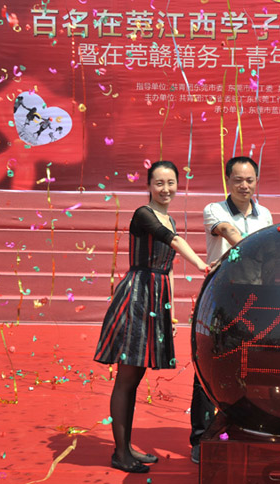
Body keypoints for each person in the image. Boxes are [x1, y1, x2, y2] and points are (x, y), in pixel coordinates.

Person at [94, 161, 209, 474]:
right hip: (137, 297)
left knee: (135, 378)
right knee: (127, 377)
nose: (166, 189)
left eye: (171, 183)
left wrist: (170, 314)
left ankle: (126, 446)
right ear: (148, 185)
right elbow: (174, 242)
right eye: (159, 183)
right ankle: (121, 453)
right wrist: (202, 265)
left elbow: (168, 269)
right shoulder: (144, 214)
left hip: (157, 299)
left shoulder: (169, 218)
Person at [189, 156, 274, 464]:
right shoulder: (215, 210)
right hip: (223, 297)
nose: (244, 185)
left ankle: (244, 430)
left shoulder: (265, 214)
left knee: (250, 368)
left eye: (250, 180)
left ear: (257, 181)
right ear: (228, 180)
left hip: (256, 299)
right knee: (209, 367)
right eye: (238, 180)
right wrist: (252, 249)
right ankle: (200, 438)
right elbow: (227, 231)